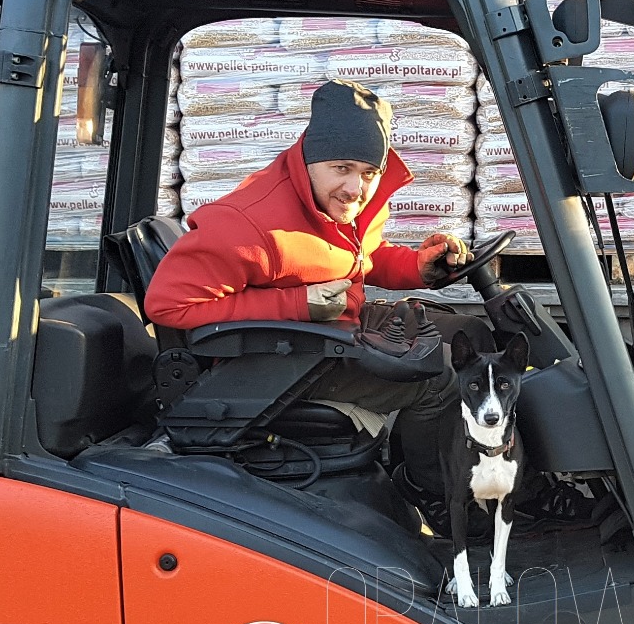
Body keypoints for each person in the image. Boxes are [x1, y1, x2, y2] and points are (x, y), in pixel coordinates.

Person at [144, 79, 465, 479]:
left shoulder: (339, 203)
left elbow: (355, 258)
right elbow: (168, 305)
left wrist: (416, 268)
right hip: (283, 361)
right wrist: (297, 304)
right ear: (310, 158)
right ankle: (432, 495)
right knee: (443, 379)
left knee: (469, 335)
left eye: (369, 173)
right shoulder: (246, 226)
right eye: (342, 168)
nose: (355, 188)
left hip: (334, 331)